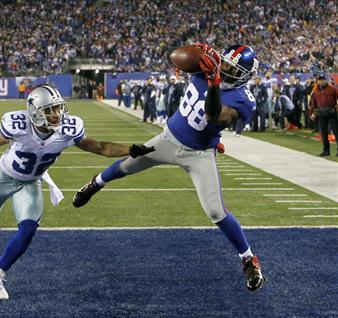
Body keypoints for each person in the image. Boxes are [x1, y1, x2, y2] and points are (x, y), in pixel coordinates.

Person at [0, 85, 154, 300]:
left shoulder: (68, 129)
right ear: (35, 112)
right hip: (3, 176)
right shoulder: (17, 124)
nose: (57, 114)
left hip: (31, 182)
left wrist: (130, 150)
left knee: (28, 229)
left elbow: (100, 147)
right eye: (50, 110)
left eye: (58, 108)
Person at [73, 44, 265, 292]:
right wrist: (199, 53)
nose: (226, 68)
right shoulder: (205, 68)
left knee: (215, 210)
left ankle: (249, 259)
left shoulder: (243, 99)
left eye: (233, 68)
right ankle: (95, 183)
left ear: (245, 75)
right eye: (226, 62)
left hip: (198, 154)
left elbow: (215, 116)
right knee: (127, 165)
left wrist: (214, 82)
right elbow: (174, 56)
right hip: (168, 138)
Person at [308, 75, 338, 156]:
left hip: (331, 112)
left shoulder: (332, 89)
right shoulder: (315, 92)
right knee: (323, 134)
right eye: (320, 80)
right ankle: (326, 151)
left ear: (326, 80)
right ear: (318, 81)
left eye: (323, 80)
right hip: (321, 113)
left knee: (336, 132)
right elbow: (313, 104)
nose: (322, 81)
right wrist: (310, 113)